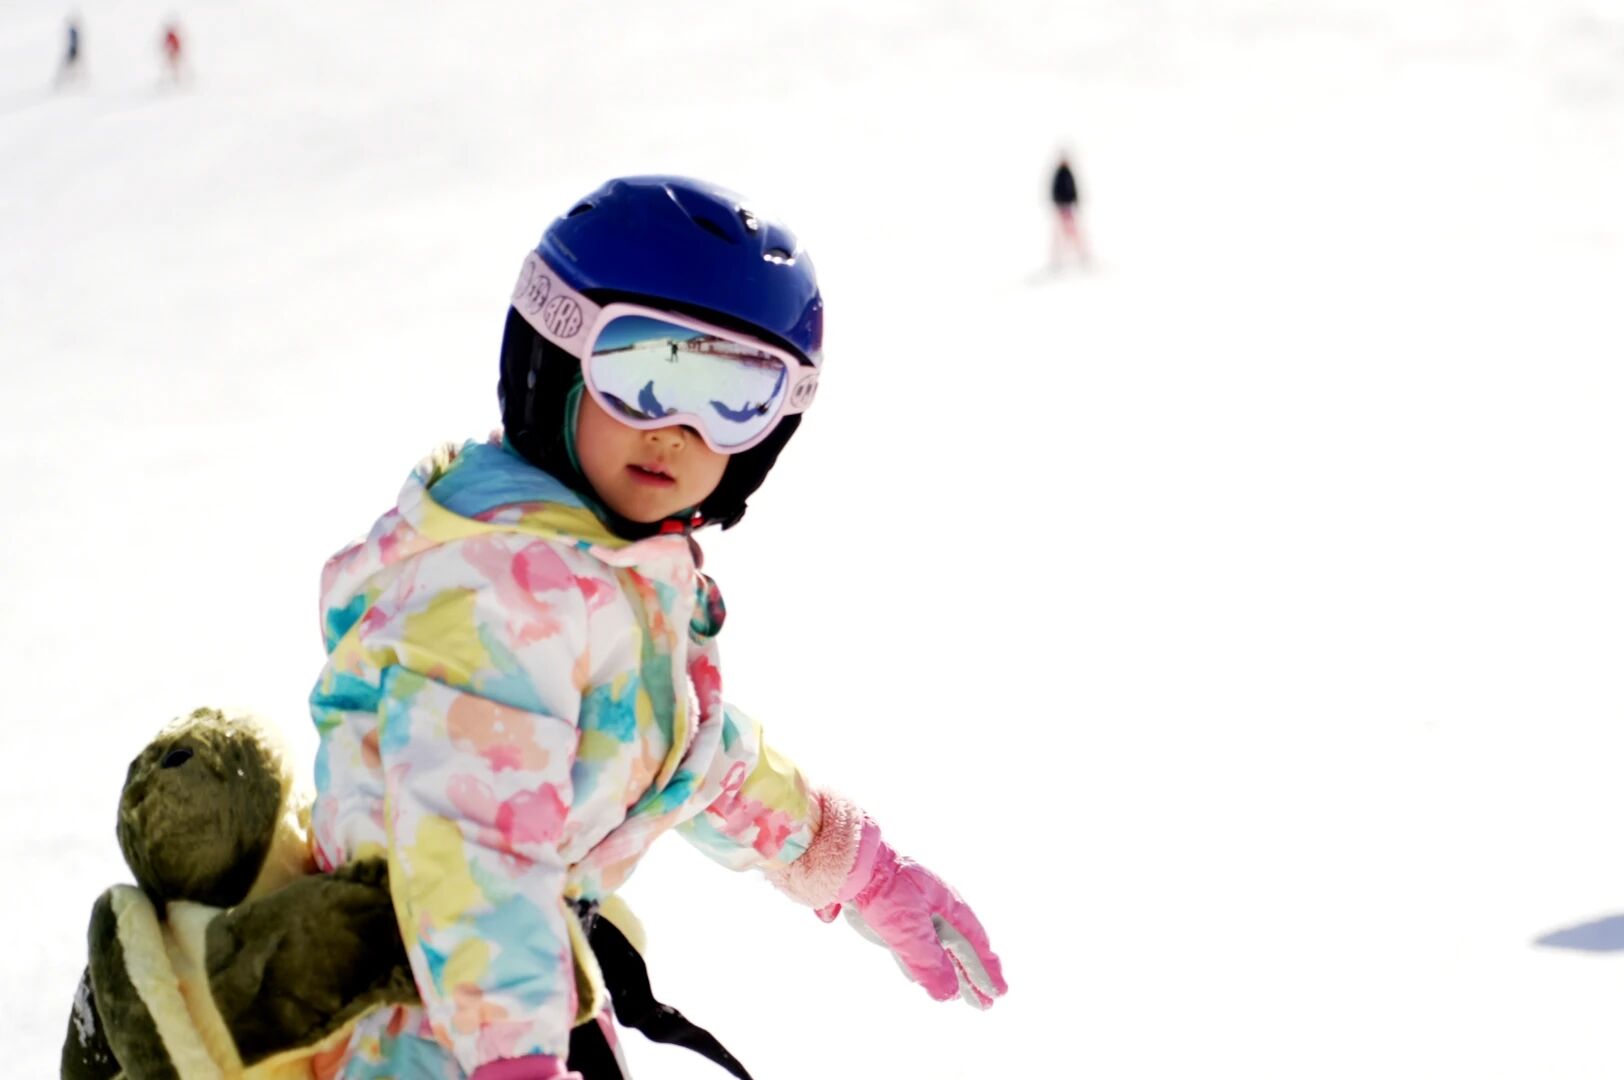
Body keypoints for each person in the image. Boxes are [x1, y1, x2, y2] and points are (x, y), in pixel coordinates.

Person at [308, 176, 1006, 1080]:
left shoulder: (605, 570)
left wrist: (861, 871)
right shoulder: (497, 587)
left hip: (502, 1010)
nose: (675, 429)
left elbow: (687, 748)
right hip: (416, 1030)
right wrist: (515, 1062)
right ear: (555, 359)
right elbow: (473, 849)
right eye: (641, 374)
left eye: (732, 395)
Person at [1049, 152, 1089, 269]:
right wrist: (1058, 202)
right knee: (1060, 232)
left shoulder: (1068, 173)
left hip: (1069, 206)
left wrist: (1075, 201)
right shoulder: (1059, 174)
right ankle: (1057, 257)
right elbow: (1055, 190)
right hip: (1062, 207)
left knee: (1073, 231)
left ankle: (1081, 254)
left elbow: (1073, 189)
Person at [54, 15, 83, 88]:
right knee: (69, 67)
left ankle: (64, 80)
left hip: (72, 51)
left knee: (69, 66)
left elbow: (74, 42)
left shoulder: (73, 31)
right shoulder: (73, 30)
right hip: (72, 51)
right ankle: (66, 79)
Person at [160, 19, 184, 85]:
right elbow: (166, 44)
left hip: (174, 53)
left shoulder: (173, 36)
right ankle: (168, 79)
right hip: (171, 53)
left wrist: (177, 51)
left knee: (174, 66)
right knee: (170, 66)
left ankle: (177, 79)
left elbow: (176, 45)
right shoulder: (169, 36)